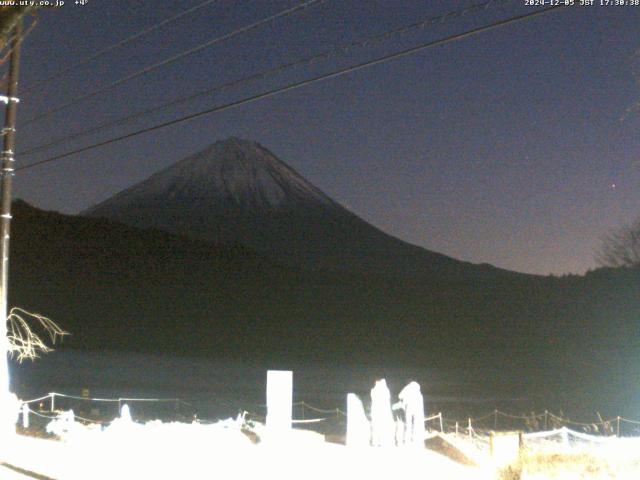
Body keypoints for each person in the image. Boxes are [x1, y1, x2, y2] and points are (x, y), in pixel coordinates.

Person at [397, 381, 425, 446]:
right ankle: (416, 439)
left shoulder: (407, 389)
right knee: (417, 425)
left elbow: (400, 396)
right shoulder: (419, 394)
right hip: (417, 409)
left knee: (408, 425)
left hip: (409, 408)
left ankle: (407, 440)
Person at [370, 379, 394, 447]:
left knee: (376, 427)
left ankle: (376, 441)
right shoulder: (385, 390)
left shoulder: (374, 390)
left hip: (376, 412)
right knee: (382, 427)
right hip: (383, 413)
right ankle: (382, 441)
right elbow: (388, 398)